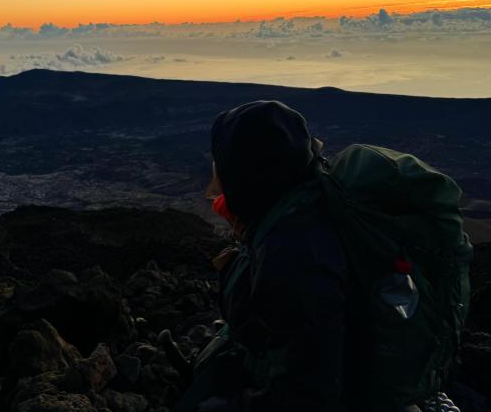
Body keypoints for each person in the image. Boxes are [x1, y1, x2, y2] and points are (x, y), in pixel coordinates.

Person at [174, 100, 461, 412]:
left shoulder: (292, 250)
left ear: (245, 173)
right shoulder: (308, 203)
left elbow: (308, 391)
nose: (217, 184)